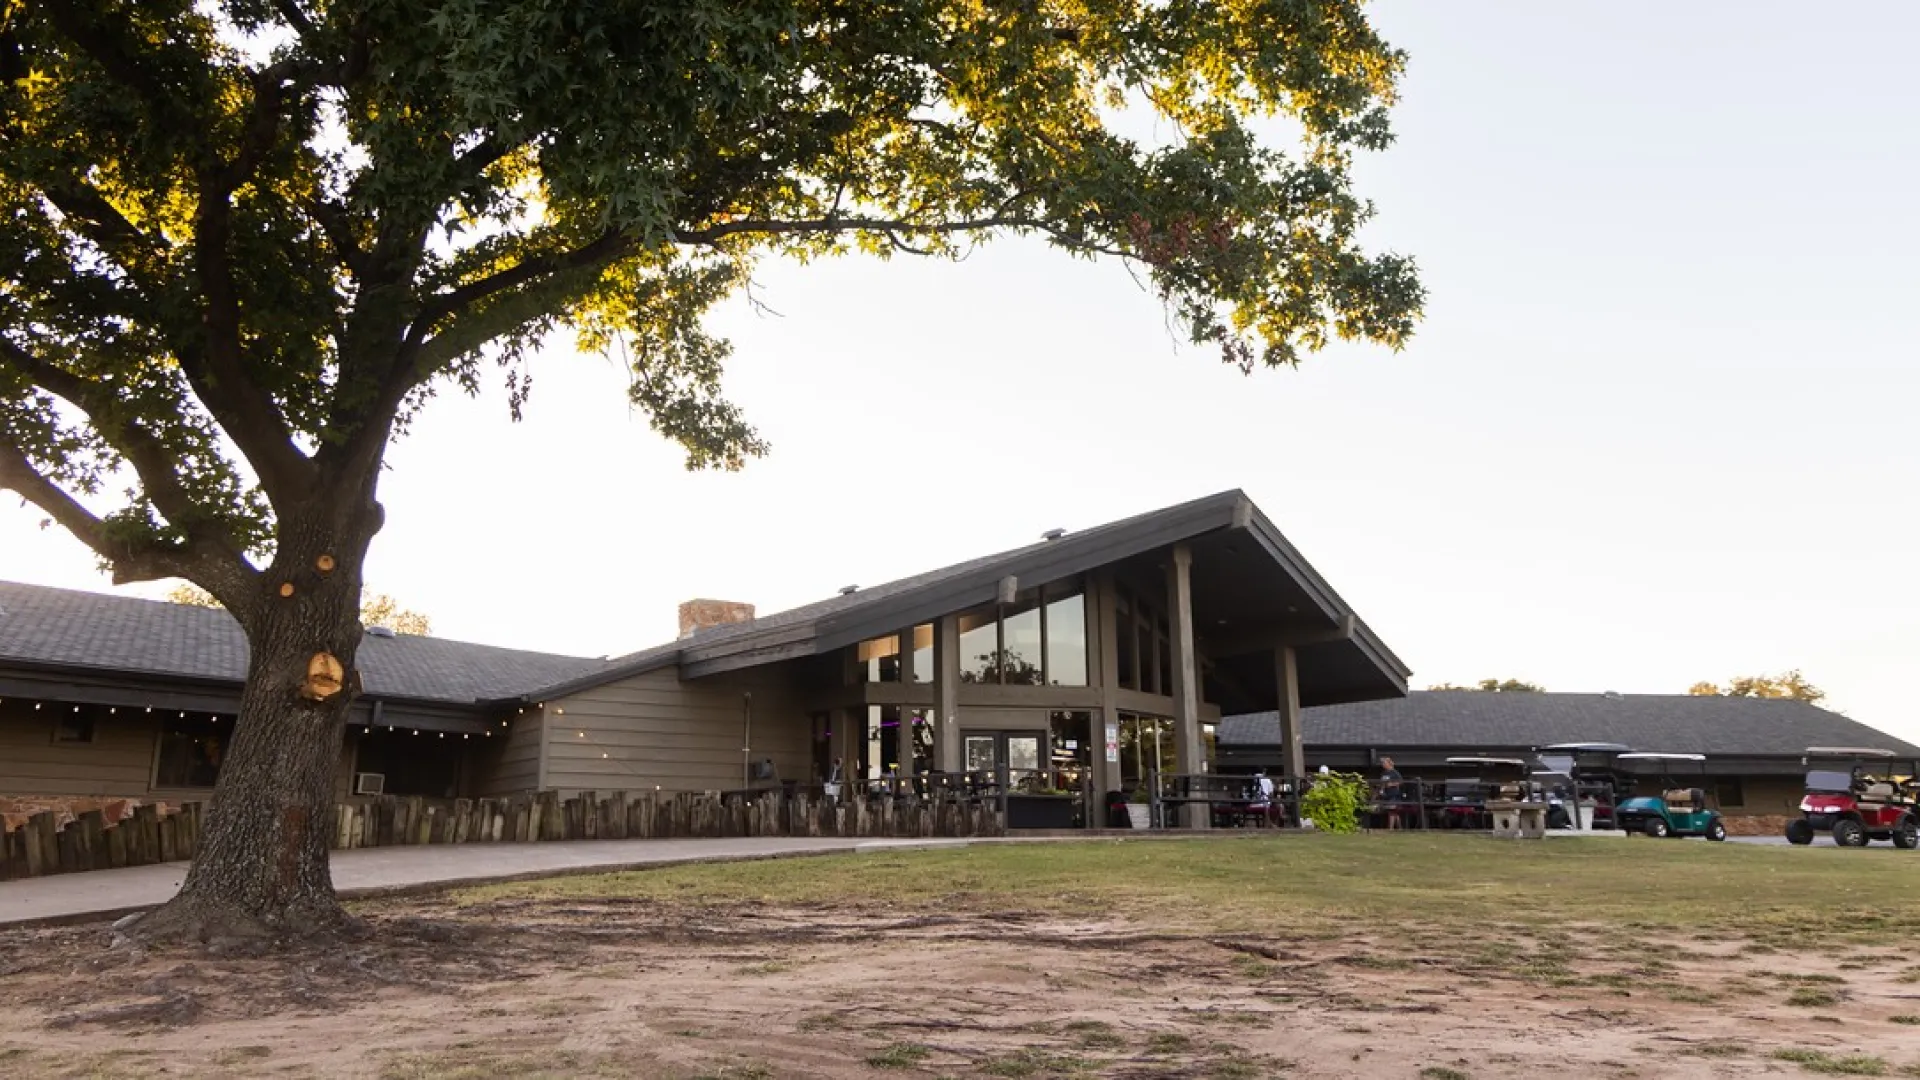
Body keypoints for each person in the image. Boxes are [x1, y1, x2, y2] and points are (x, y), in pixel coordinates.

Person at [1379, 756, 1404, 829]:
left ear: (1389, 764)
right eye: (1382, 763)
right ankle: (1400, 828)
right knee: (1394, 813)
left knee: (1392, 811)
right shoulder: (1383, 773)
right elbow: (1382, 783)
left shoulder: (1395, 772)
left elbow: (1401, 782)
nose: (1382, 764)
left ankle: (1390, 828)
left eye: (1384, 763)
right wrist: (1381, 789)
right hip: (1386, 794)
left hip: (1394, 794)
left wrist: (1392, 784)